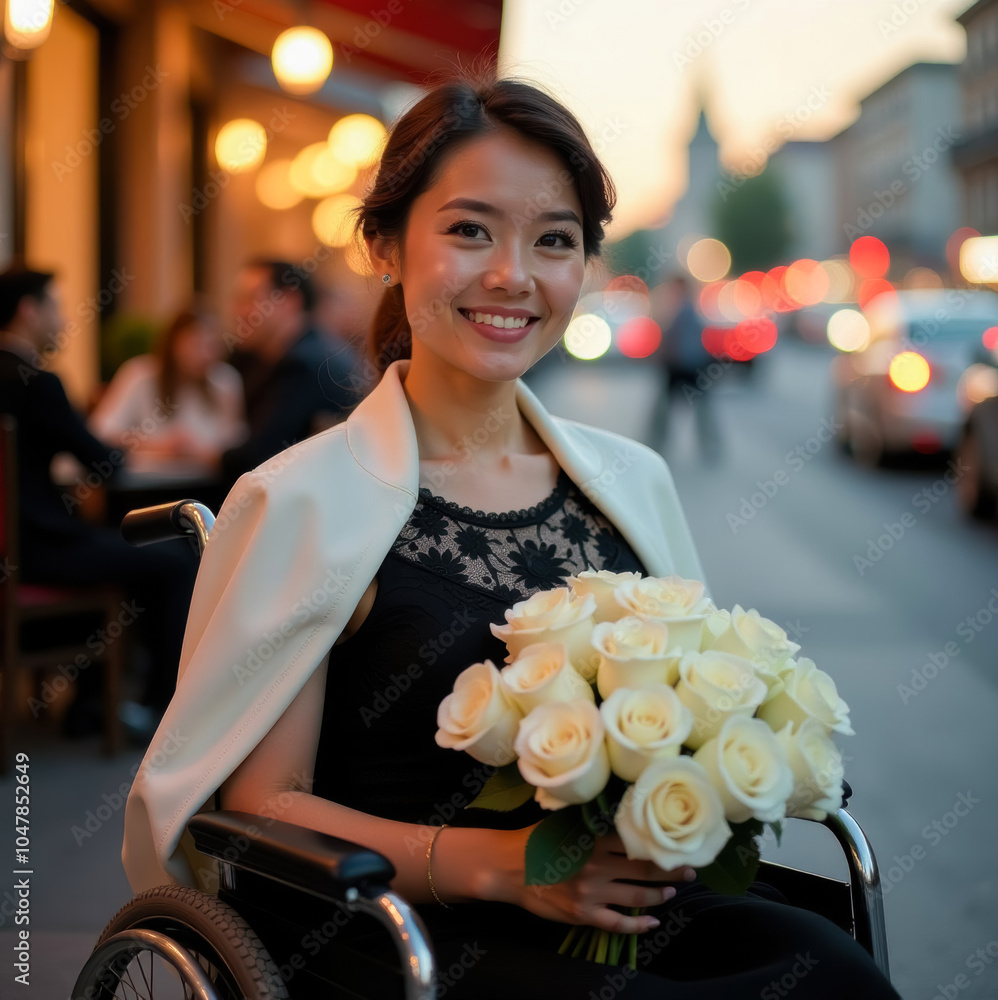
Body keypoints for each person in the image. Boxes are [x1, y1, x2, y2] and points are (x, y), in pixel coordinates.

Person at [121, 76, 899, 998]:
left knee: (834, 975)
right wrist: (503, 865)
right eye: (469, 229)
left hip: (623, 903)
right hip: (404, 923)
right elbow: (264, 806)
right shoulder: (303, 500)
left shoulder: (629, 480)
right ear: (384, 245)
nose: (513, 275)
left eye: (554, 241)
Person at [0, 266, 198, 730]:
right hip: (38, 549)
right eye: (56, 305)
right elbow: (104, 462)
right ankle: (163, 710)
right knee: (174, 560)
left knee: (118, 551)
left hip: (16, 548)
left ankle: (92, 704)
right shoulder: (35, 381)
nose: (63, 317)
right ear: (29, 310)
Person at [219, 259, 359, 488]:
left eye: (250, 299)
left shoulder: (306, 364)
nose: (239, 312)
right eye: (237, 301)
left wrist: (195, 451)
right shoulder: (262, 359)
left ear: (290, 301)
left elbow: (260, 457)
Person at [89, 304, 247, 474]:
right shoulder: (140, 375)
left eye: (211, 345)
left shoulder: (226, 380)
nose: (204, 354)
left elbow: (237, 442)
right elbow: (102, 433)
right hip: (149, 482)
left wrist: (201, 453)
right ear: (173, 343)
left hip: (210, 483)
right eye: (195, 345)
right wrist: (160, 445)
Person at [649, 274, 721, 461]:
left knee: (665, 409)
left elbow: (675, 340)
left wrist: (663, 355)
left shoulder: (683, 310)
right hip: (694, 366)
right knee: (701, 410)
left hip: (682, 366)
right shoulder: (691, 309)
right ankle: (710, 446)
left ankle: (655, 444)